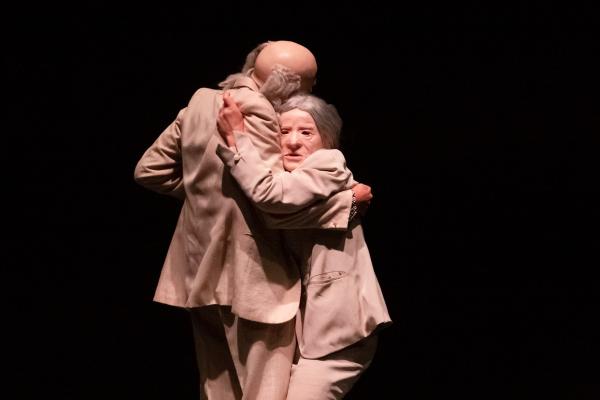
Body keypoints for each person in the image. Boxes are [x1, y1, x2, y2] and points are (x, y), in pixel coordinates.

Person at [134, 41, 364, 399]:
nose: (309, 93)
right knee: (263, 392)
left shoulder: (198, 103)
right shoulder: (259, 111)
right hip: (253, 277)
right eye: (307, 85)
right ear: (285, 86)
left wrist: (206, 196)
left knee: (218, 391)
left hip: (198, 272)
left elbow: (150, 171)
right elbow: (272, 199)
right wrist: (346, 203)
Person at [216, 92, 392, 399]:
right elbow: (275, 212)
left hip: (337, 331)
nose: (293, 141)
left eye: (306, 132)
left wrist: (238, 139)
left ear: (325, 139)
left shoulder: (328, 162)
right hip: (300, 332)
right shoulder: (284, 179)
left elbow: (271, 202)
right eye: (283, 132)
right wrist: (345, 204)